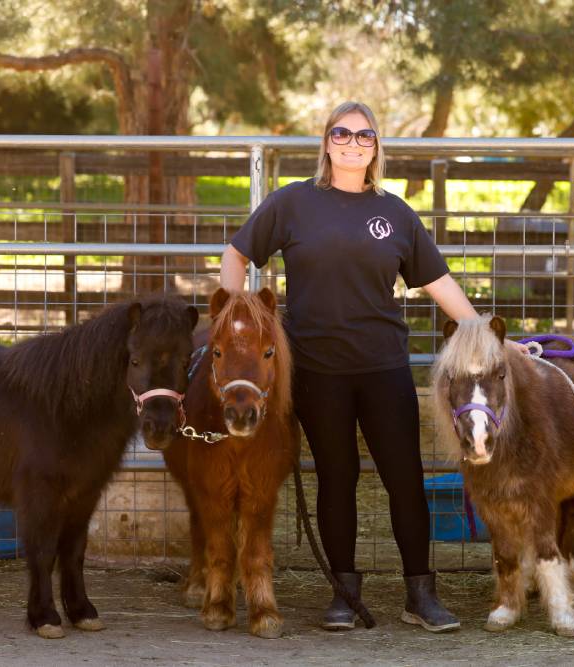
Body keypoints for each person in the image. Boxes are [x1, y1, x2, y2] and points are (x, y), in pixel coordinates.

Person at [220, 101, 526, 632]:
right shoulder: (292, 204)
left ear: (376, 147)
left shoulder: (396, 212)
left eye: (364, 136)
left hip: (383, 366)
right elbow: (237, 254)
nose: (353, 143)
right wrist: (234, 318)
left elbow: (438, 282)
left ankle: (420, 595)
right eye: (342, 133)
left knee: (404, 478)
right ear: (327, 142)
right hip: (316, 370)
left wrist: (488, 338)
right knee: (336, 480)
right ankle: (344, 594)